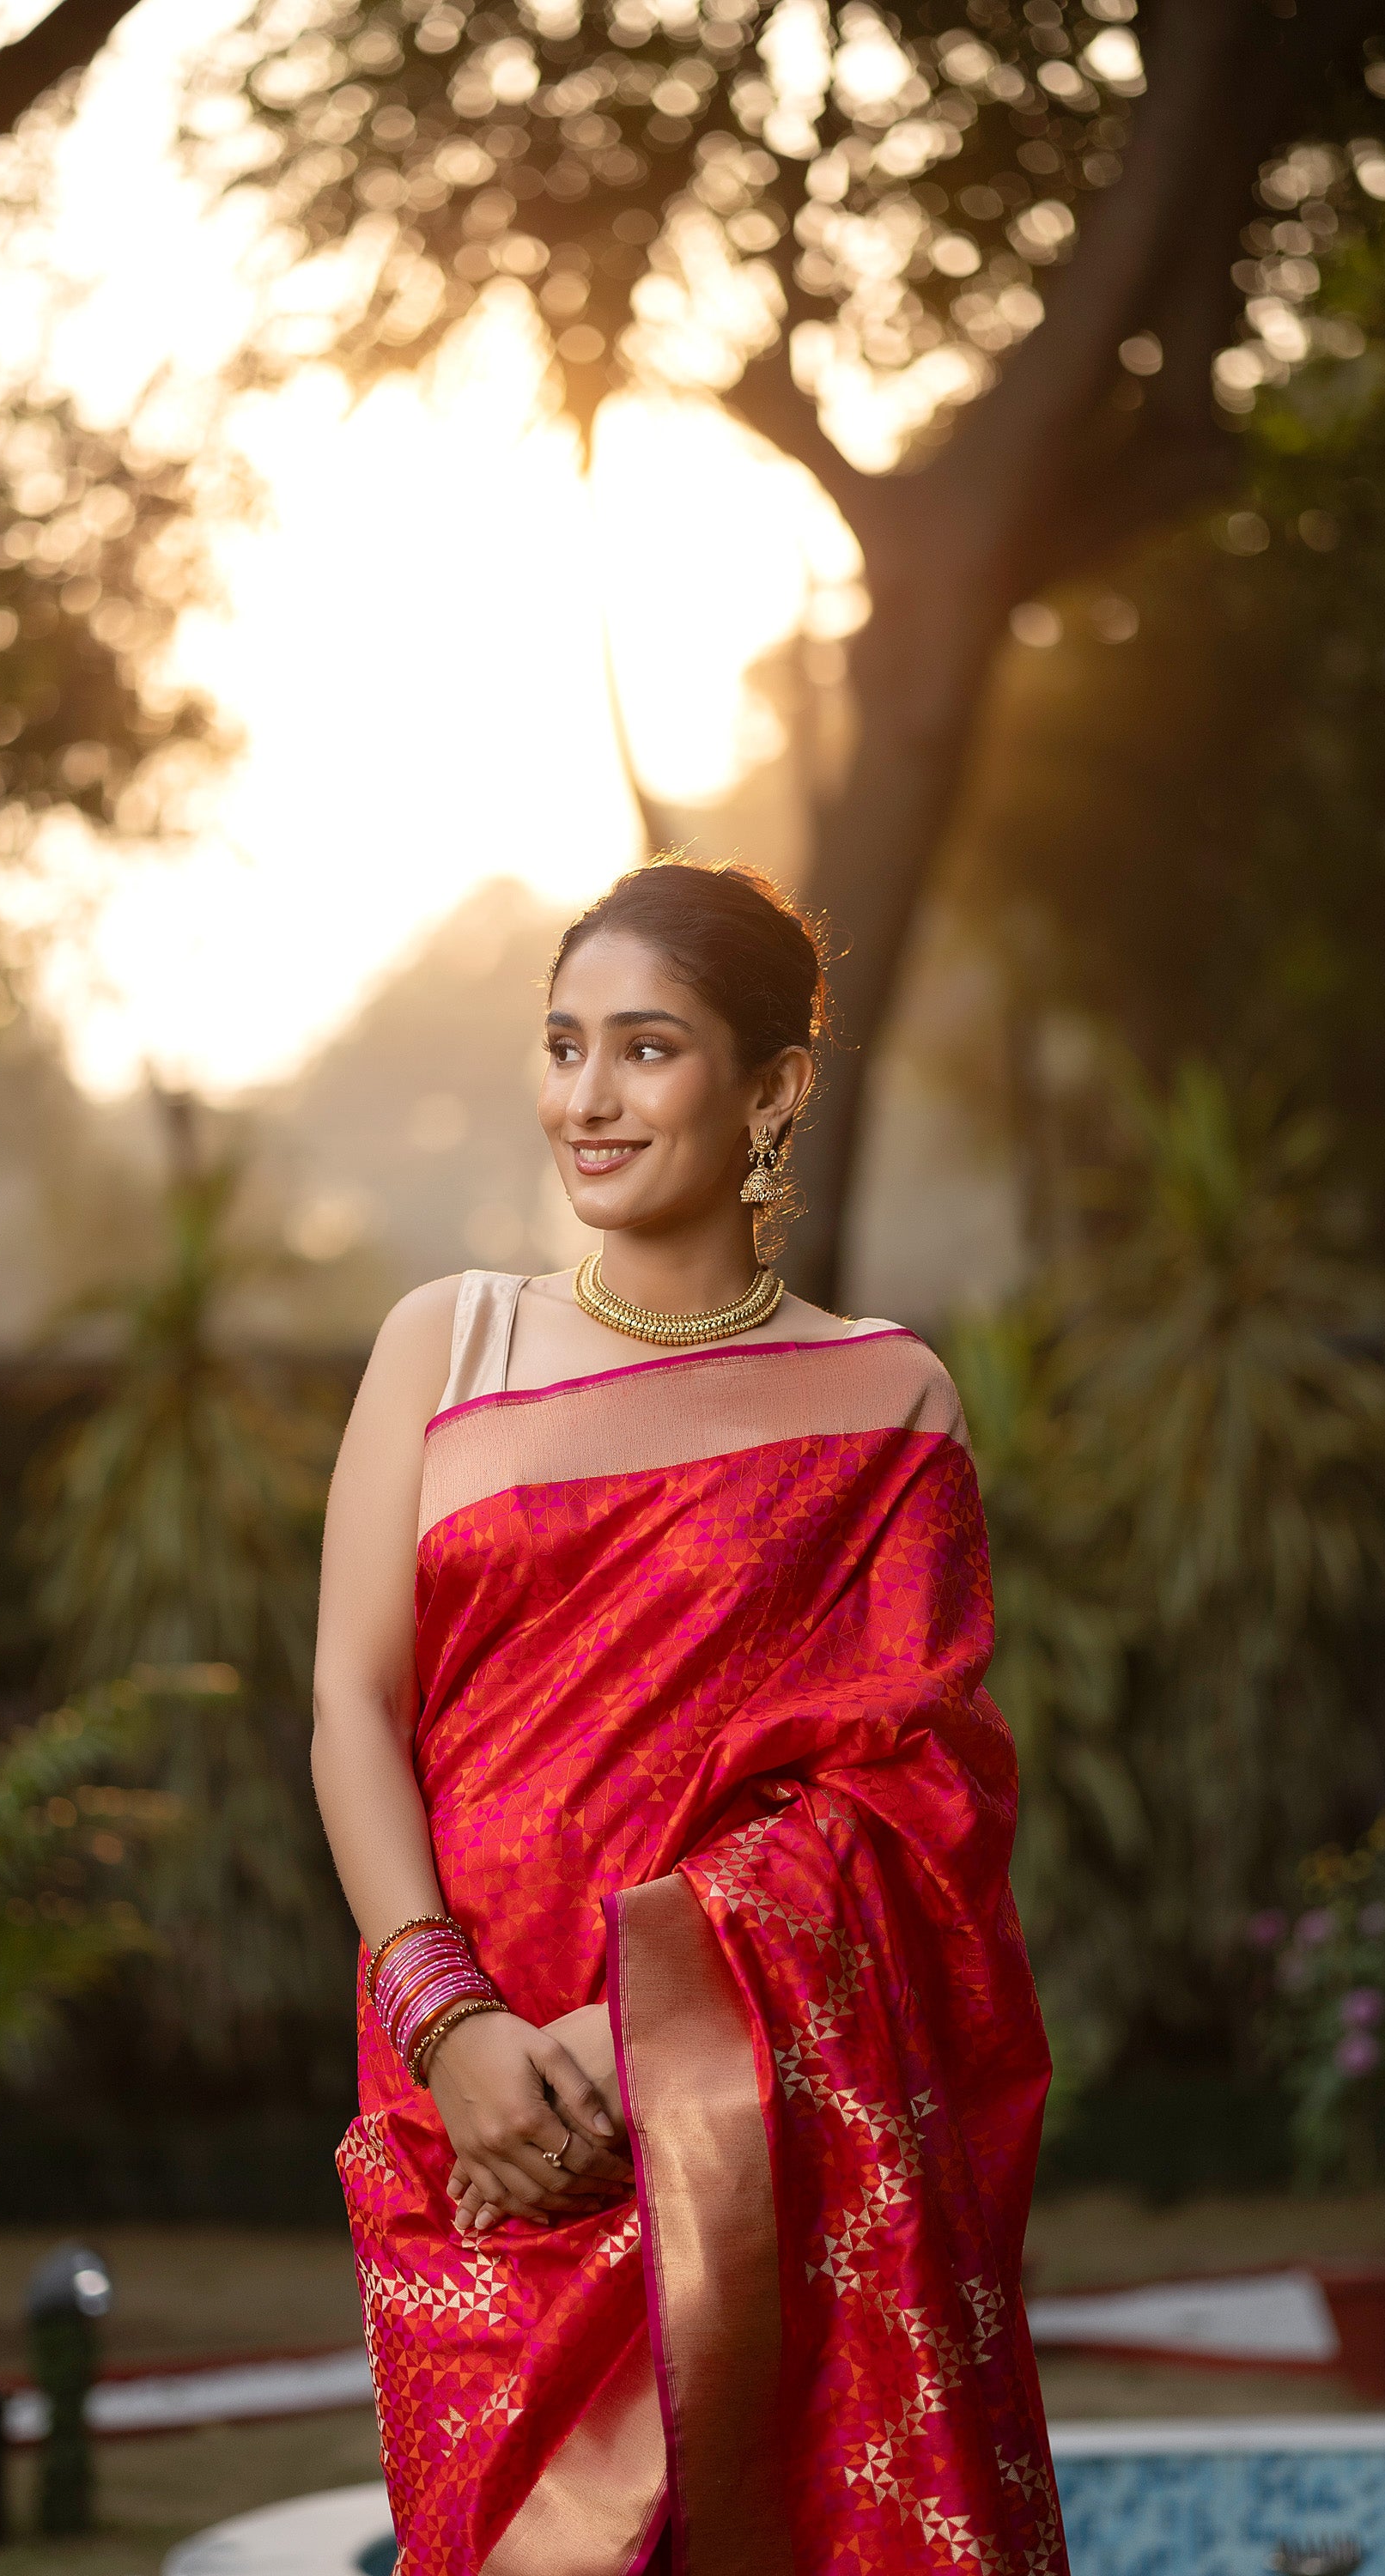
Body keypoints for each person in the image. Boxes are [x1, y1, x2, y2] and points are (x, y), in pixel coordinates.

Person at [313, 858, 1065, 2576]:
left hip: (737, 2116)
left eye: (645, 1048)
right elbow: (351, 1710)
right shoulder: (451, 1348)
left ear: (773, 1086)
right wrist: (458, 2028)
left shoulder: (885, 1402)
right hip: (473, 2121)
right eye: (564, 1043)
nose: (587, 1095)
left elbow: (907, 1807)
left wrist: (623, 2043)